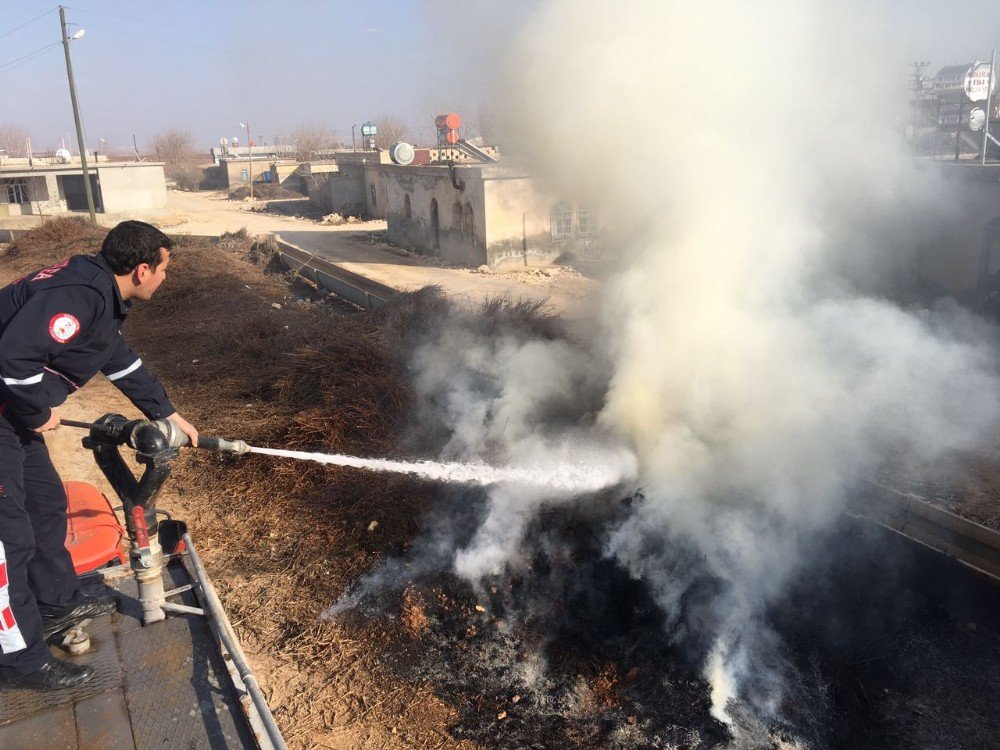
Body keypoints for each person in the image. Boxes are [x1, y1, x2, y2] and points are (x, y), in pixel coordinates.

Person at [0, 220, 198, 691]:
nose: (166, 278)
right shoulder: (79, 297)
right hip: (5, 411)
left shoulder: (101, 295)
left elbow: (118, 359)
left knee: (45, 504)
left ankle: (56, 599)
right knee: (9, 538)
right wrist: (36, 408)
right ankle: (18, 660)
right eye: (164, 268)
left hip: (11, 415)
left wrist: (168, 415)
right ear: (143, 268)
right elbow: (12, 359)